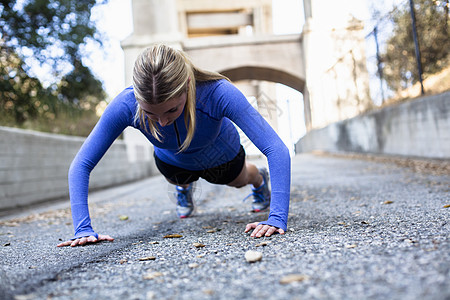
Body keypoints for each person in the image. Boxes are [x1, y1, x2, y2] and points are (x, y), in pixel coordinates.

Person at [57, 44, 291, 247]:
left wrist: (276, 218)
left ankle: (259, 180)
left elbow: (275, 148)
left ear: (187, 86)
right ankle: (183, 187)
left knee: (239, 179)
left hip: (221, 157)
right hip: (173, 161)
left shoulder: (217, 93)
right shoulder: (125, 105)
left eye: (172, 110)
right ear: (137, 98)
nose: (163, 121)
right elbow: (82, 164)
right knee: (177, 176)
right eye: (150, 113)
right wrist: (83, 229)